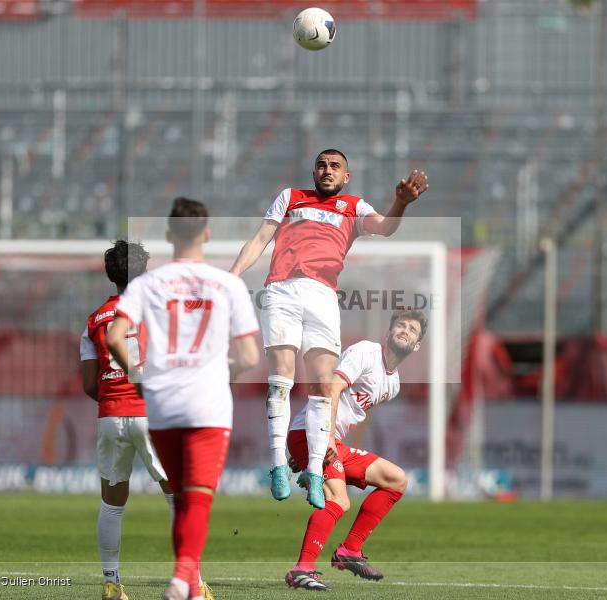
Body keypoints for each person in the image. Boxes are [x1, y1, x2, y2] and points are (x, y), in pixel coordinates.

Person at [230, 149, 429, 509]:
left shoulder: (353, 207)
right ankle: (277, 465)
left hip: (323, 296)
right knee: (282, 378)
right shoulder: (290, 198)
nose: (327, 171)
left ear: (346, 177)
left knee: (323, 387)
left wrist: (401, 202)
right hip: (282, 290)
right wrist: (232, 277)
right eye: (322, 165)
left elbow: (385, 227)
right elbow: (260, 240)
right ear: (314, 171)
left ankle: (315, 472)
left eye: (335, 166)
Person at [107, 198, 260, 600]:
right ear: (207, 235)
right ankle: (181, 577)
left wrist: (136, 376)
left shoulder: (146, 284)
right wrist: (218, 371)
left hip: (161, 402)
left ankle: (189, 588)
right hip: (207, 402)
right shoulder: (228, 285)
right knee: (197, 498)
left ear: (169, 235)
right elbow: (248, 356)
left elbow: (113, 336)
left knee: (180, 492)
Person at [283, 309, 427, 591]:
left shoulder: (393, 384)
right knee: (339, 500)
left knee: (396, 480)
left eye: (412, 330)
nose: (405, 331)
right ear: (388, 332)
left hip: (333, 441)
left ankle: (349, 551)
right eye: (400, 325)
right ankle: (302, 569)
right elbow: (332, 390)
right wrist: (320, 440)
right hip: (315, 432)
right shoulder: (365, 352)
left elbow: (352, 415)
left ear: (417, 345)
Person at [81, 240, 179, 600]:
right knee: (178, 498)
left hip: (111, 415)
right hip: (151, 414)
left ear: (111, 275)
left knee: (112, 504)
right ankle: (191, 582)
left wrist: (113, 398)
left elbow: (89, 384)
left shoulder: (94, 321)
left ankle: (112, 584)